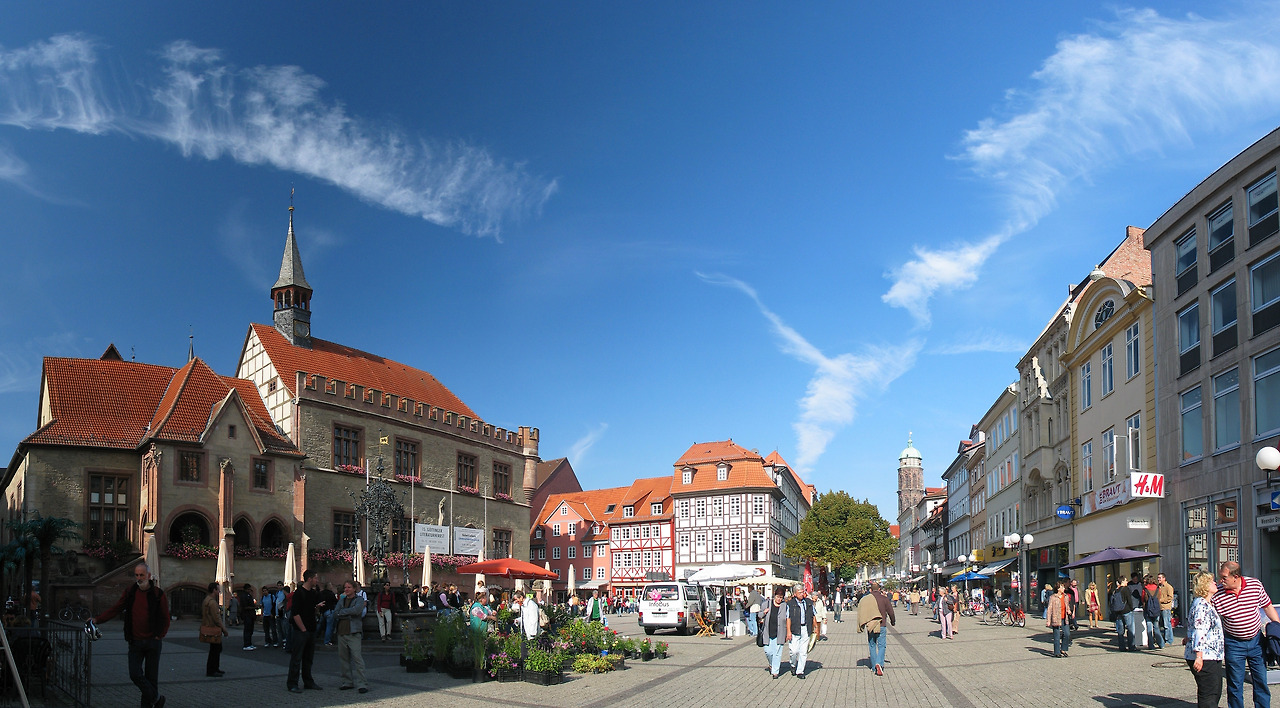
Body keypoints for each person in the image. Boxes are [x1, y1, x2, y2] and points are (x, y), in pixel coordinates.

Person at [93, 562, 170, 708]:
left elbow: (165, 617)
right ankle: (157, 699)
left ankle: (150, 703)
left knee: (151, 678)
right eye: (136, 575)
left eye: (141, 575)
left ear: (148, 575)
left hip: (153, 641)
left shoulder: (158, 594)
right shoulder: (130, 592)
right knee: (135, 674)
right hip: (135, 641)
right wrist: (98, 619)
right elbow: (116, 609)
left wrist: (160, 635)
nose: (139, 578)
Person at [1211, 561, 1280, 708]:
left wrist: (1278, 629)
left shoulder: (1254, 585)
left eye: (1224, 578)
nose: (1220, 581)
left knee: (1261, 681)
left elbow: (1267, 607)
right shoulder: (1217, 594)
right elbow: (1209, 619)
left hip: (1256, 642)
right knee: (1235, 684)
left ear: (1235, 577)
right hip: (1233, 643)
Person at [1185, 571, 1225, 708]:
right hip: (1206, 657)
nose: (1215, 583)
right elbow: (1199, 630)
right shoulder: (1201, 605)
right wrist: (1199, 656)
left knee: (1214, 691)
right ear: (1205, 585)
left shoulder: (1205, 604)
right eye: (1212, 581)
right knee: (1209, 694)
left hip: (1212, 655)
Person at [286, 569, 327, 693]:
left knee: (308, 658)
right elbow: (295, 613)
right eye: (315, 578)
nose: (317, 580)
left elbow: (309, 610)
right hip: (301, 631)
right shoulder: (299, 593)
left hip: (311, 629)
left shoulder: (312, 593)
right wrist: (303, 629)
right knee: (297, 658)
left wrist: (317, 607)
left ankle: (308, 681)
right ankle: (292, 683)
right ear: (310, 579)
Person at [334, 580, 368, 694]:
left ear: (354, 589)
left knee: (357, 658)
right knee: (343, 658)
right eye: (345, 587)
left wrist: (343, 613)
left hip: (354, 632)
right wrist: (348, 613)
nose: (346, 589)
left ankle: (362, 683)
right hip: (341, 632)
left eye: (348, 587)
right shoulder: (342, 600)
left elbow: (357, 611)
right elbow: (335, 613)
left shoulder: (359, 599)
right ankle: (347, 681)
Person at [861, 582, 895, 676]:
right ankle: (879, 663)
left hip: (870, 625)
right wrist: (893, 621)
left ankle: (873, 667)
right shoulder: (884, 599)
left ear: (870, 590)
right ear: (879, 589)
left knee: (872, 645)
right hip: (882, 624)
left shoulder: (866, 599)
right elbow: (890, 611)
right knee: (881, 645)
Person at [786, 584, 814, 679]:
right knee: (794, 651)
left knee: (803, 651)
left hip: (805, 628)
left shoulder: (808, 602)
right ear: (795, 594)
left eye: (803, 592)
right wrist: (788, 631)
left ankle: (800, 671)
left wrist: (815, 628)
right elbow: (788, 618)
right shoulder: (790, 604)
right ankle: (793, 664)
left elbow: (813, 614)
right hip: (795, 629)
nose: (802, 594)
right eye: (800, 592)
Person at [761, 586, 789, 679]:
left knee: (777, 653)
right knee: (768, 652)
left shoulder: (785, 606)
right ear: (774, 596)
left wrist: (787, 633)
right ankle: (771, 664)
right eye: (777, 597)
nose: (779, 599)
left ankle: (775, 672)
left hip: (780, 633)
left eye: (781, 597)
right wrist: (764, 613)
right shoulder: (766, 604)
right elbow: (759, 615)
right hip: (768, 632)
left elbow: (788, 619)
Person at [201, 582, 229, 677]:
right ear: (214, 590)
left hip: (208, 626)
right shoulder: (212, 603)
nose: (219, 591)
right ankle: (212, 670)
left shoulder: (206, 600)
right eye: (218, 589)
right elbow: (217, 618)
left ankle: (215, 668)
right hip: (213, 628)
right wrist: (224, 629)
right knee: (215, 649)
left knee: (215, 649)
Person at [1046, 581, 1072, 657]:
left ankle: (1063, 649)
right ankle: (1057, 652)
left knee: (1067, 634)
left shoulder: (1066, 596)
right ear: (1058, 588)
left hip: (1064, 617)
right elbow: (1049, 609)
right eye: (1062, 587)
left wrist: (1069, 610)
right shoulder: (1053, 597)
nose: (1064, 588)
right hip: (1056, 618)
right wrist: (1048, 620)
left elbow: (1067, 605)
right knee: (1056, 636)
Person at [1111, 577, 1135, 651]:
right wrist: (1132, 608)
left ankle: (1122, 647)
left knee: (1120, 631)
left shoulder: (1115, 591)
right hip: (1126, 610)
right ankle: (1131, 646)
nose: (1127, 582)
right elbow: (1129, 600)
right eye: (1126, 580)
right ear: (1122, 581)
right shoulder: (1125, 589)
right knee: (1130, 629)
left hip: (1118, 612)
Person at [1141, 574, 1165, 650]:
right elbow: (1159, 597)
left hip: (1148, 610)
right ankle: (1161, 643)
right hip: (1156, 609)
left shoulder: (1145, 589)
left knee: (1149, 627)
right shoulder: (1158, 589)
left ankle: (1151, 645)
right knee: (1156, 627)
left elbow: (1143, 599)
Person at [236, 584, 258, 650]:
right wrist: (254, 607)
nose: (249, 590)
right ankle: (246, 644)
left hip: (250, 615)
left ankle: (249, 643)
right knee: (247, 630)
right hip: (247, 615)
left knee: (250, 630)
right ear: (246, 589)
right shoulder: (244, 596)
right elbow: (245, 607)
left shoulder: (248, 595)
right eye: (248, 589)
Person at [1157, 572, 1175, 646]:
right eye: (1158, 578)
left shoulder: (1168, 587)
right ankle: (1163, 638)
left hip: (1166, 608)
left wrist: (1162, 600)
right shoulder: (1158, 587)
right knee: (1161, 625)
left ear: (1164, 578)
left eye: (1160, 578)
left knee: (1167, 624)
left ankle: (1169, 640)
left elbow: (1170, 597)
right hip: (1159, 608)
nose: (1158, 579)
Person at [320, 582, 339, 646]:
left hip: (323, 611)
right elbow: (335, 601)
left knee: (321, 625)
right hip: (330, 611)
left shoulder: (321, 593)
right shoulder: (331, 594)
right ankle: (327, 640)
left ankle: (316, 637)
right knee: (329, 626)